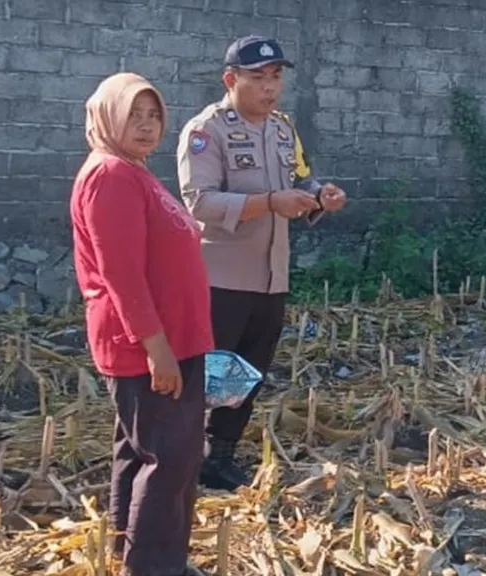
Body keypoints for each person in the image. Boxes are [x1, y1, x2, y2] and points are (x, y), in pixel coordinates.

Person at [176, 35, 347, 491]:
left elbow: (302, 180)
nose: (269, 88)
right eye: (258, 78)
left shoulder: (282, 129)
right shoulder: (205, 131)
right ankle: (177, 459)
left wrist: (320, 198)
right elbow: (199, 202)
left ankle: (219, 456)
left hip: (271, 275)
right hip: (220, 277)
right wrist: (270, 201)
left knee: (247, 373)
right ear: (231, 80)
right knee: (205, 375)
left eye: (276, 77)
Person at [70, 72, 213, 576]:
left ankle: (131, 551)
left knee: (141, 451)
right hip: (150, 344)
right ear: (107, 116)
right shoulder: (110, 176)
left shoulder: (132, 171)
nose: (148, 125)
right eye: (135, 114)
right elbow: (122, 275)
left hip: (169, 337)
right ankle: (154, 567)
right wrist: (157, 350)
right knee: (171, 457)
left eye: (154, 115)